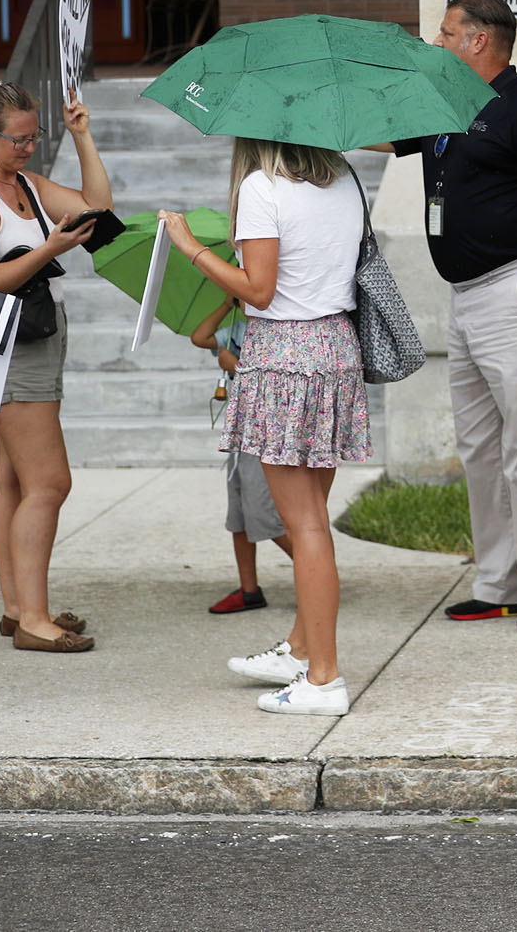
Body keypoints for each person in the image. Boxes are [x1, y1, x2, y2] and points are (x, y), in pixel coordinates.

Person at [394, 0, 517, 634]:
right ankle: (500, 582)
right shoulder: (442, 103)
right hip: (466, 296)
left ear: (479, 41)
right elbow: (378, 133)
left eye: (446, 32)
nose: (437, 41)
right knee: (481, 447)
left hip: (514, 293)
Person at [162, 138, 369, 716]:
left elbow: (259, 289)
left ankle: (323, 679)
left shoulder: (261, 188)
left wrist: (190, 249)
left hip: (284, 356)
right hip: (334, 348)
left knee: (303, 529)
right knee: (313, 524)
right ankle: (302, 651)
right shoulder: (345, 179)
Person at [0, 78, 112, 654]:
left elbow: (97, 212)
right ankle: (33, 619)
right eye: (19, 140)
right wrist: (49, 251)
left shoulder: (24, 183)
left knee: (14, 480)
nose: (28, 148)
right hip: (11, 351)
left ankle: (16, 608)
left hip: (37, 342)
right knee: (51, 483)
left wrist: (83, 136)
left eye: (35, 137)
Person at [191, 295, 294, 614]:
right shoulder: (237, 329)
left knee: (264, 512)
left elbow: (277, 383)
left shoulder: (281, 331)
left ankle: (318, 573)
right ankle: (249, 590)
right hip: (241, 430)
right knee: (238, 514)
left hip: (268, 432)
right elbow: (200, 337)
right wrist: (226, 304)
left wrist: (233, 366)